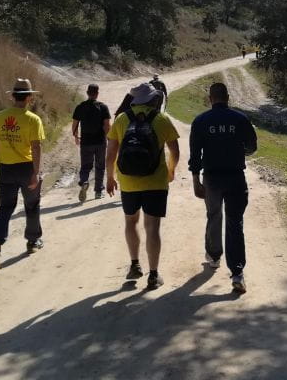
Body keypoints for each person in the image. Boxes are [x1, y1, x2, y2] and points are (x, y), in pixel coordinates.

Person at [105, 83, 180, 290]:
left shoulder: (122, 119)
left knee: (131, 222)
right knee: (152, 227)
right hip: (156, 182)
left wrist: (110, 178)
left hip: (128, 181)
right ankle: (153, 275)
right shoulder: (161, 119)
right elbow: (175, 151)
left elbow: (111, 153)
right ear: (153, 99)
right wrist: (171, 170)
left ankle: (134, 265)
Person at [188, 82, 257, 294]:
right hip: (235, 177)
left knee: (214, 216)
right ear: (228, 97)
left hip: (212, 178)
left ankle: (214, 256)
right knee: (235, 222)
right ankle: (237, 273)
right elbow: (252, 147)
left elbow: (195, 155)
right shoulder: (240, 119)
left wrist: (196, 181)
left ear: (210, 99)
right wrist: (240, 150)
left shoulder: (200, 121)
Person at [0, 78, 46, 271]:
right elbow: (36, 147)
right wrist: (36, 172)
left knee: (5, 208)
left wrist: (1, 156)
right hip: (26, 168)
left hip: (6, 167)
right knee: (32, 204)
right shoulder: (33, 119)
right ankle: (32, 241)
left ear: (12, 96)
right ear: (29, 98)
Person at [72, 84, 111, 202]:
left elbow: (75, 124)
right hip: (100, 142)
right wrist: (109, 138)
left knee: (85, 166)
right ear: (97, 94)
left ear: (87, 93)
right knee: (100, 166)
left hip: (86, 142)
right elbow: (107, 125)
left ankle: (84, 181)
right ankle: (98, 191)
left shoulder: (80, 107)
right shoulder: (103, 107)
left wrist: (76, 137)